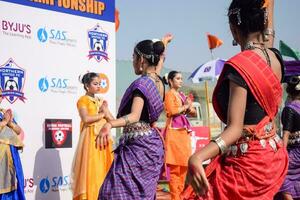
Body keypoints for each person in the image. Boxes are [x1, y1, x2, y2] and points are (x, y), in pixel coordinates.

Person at [181, 0, 288, 199]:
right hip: (271, 159)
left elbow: (235, 128)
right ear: (263, 22)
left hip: (245, 167)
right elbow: (269, 34)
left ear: (233, 29)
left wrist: (198, 156)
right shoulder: (274, 58)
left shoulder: (239, 66)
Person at [98, 34, 173, 199]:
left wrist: (109, 125)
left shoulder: (142, 84)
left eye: (133, 57)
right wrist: (164, 44)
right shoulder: (159, 82)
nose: (132, 60)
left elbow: (133, 116)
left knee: (113, 192)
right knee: (140, 194)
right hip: (150, 145)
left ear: (141, 60)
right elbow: (158, 62)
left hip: (138, 148)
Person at [71, 72, 114, 200]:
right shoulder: (82, 100)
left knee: (104, 169)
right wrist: (102, 114)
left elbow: (112, 119)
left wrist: (106, 111)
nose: (98, 86)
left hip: (105, 139)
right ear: (86, 85)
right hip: (91, 139)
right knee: (92, 170)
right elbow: (85, 118)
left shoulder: (101, 101)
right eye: (95, 84)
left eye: (99, 84)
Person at [163, 71, 195, 200]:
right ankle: (175, 197)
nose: (180, 81)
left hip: (183, 134)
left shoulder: (181, 95)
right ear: (170, 81)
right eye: (178, 78)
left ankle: (181, 197)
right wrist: (185, 106)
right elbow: (172, 111)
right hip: (174, 134)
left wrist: (189, 105)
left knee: (184, 168)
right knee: (175, 170)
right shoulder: (169, 95)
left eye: (181, 78)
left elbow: (192, 112)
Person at [277, 76, 300, 200]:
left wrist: (282, 153)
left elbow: (286, 134)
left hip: (295, 153)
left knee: (281, 172)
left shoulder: (289, 109)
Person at [0, 90, 25, 199]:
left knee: (11, 190)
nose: (0, 97)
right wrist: (4, 122)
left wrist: (10, 123)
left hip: (10, 158)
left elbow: (19, 131)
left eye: (0, 95)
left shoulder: (3, 112)